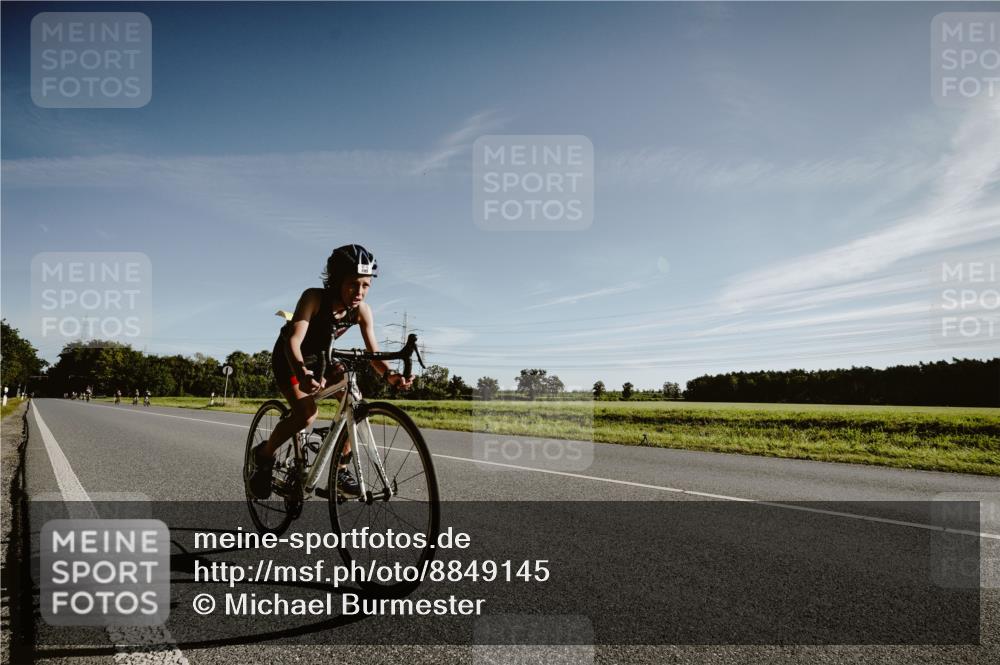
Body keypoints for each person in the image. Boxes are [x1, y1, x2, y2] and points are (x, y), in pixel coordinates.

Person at [248, 244, 413, 500]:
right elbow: (294, 340)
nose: (359, 292)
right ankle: (264, 455)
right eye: (353, 284)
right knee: (306, 414)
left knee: (355, 402)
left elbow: (374, 355)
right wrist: (302, 372)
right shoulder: (314, 298)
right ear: (336, 281)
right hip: (291, 359)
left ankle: (340, 472)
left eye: (366, 285)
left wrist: (391, 375)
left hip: (324, 359)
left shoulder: (362, 311)